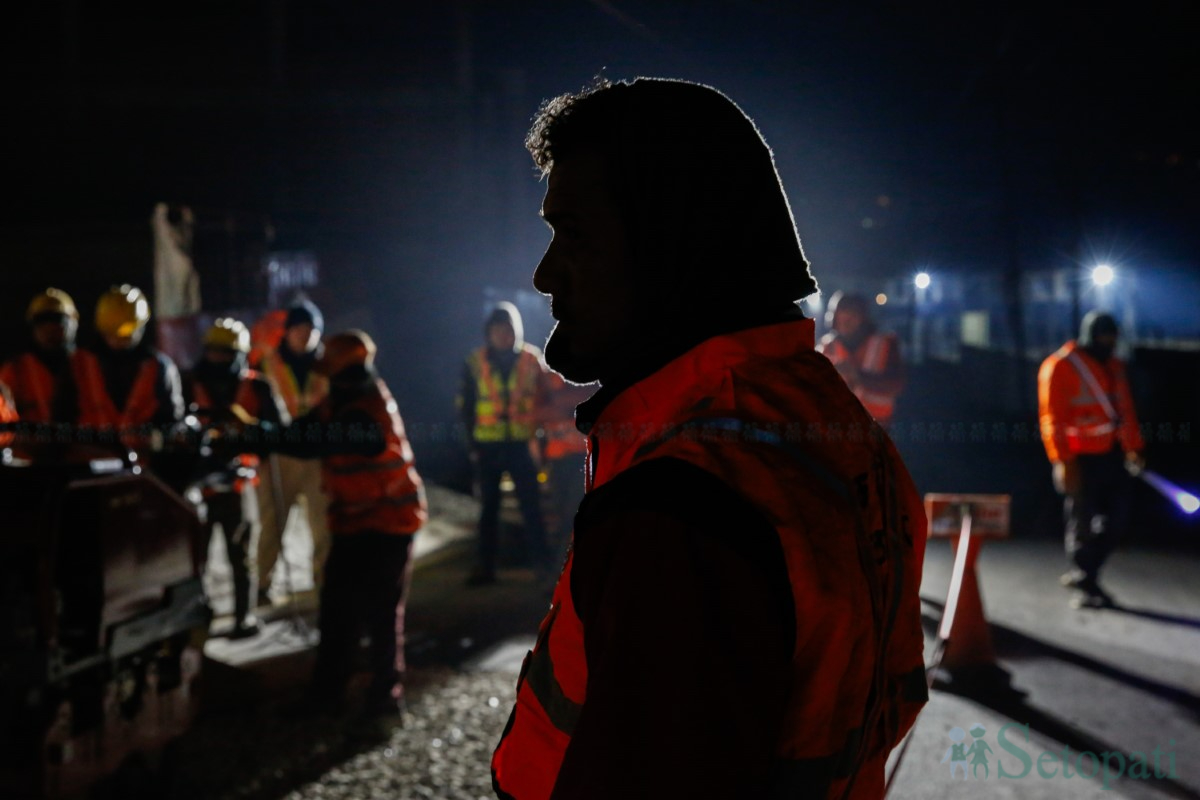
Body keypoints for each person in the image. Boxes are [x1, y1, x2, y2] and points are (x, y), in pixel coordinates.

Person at [491, 78, 928, 799]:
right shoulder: (834, 429)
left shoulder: (684, 507)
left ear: (667, 246)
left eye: (573, 235)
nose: (544, 274)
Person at [238, 330, 426, 717]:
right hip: (353, 523)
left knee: (381, 614)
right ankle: (328, 693)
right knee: (337, 610)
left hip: (388, 524)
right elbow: (305, 433)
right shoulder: (340, 400)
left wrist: (269, 436)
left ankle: (384, 701)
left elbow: (335, 438)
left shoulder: (369, 404)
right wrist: (260, 434)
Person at [185, 318, 289, 638]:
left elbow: (280, 434)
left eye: (226, 353)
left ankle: (243, 617)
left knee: (240, 555)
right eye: (214, 352)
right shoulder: (187, 383)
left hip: (237, 483)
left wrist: (248, 427)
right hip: (195, 486)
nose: (219, 360)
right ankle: (196, 614)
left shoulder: (258, 387)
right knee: (192, 558)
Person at [1038, 310, 1143, 609]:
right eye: (1103, 338)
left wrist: (1134, 446)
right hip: (1078, 456)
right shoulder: (1059, 366)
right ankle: (1086, 580)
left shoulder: (1115, 366)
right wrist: (1063, 461)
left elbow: (1125, 409)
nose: (1108, 343)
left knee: (1118, 518)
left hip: (1110, 453)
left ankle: (1085, 573)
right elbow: (1051, 419)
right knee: (1080, 522)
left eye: (1112, 338)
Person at [457, 302, 550, 586]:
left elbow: (546, 403)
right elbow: (466, 407)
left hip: (522, 444)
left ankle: (543, 568)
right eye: (498, 330)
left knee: (531, 508)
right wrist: (471, 445)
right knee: (488, 510)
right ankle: (485, 567)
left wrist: (544, 446)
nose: (503, 335)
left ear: (517, 331)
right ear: (489, 332)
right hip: (488, 447)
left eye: (508, 329)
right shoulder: (474, 362)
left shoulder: (532, 360)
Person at [255, 298, 331, 604]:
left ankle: (323, 584)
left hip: (318, 457)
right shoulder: (266, 364)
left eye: (311, 329)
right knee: (272, 524)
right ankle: (262, 585)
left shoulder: (330, 364)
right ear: (287, 331)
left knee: (324, 527)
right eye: (299, 328)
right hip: (280, 456)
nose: (305, 334)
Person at [0, 288, 112, 426]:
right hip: (30, 445)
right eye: (42, 320)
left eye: (58, 319)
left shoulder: (92, 365)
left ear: (74, 321)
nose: (50, 327)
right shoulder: (16, 369)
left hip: (85, 443)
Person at [89, 284, 185, 442]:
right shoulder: (81, 364)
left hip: (143, 461)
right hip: (89, 459)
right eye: (112, 331)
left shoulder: (159, 366)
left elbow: (171, 419)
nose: (119, 339)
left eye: (126, 333)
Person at [817, 290, 905, 427]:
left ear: (864, 317)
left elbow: (896, 384)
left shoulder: (885, 343)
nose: (847, 320)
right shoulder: (827, 347)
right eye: (842, 315)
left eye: (853, 315)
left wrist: (857, 375)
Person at [538, 372, 592, 565]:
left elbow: (590, 394)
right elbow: (537, 408)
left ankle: (564, 571)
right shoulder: (548, 374)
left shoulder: (592, 369)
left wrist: (561, 401)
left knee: (574, 515)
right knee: (563, 516)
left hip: (585, 457)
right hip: (558, 459)